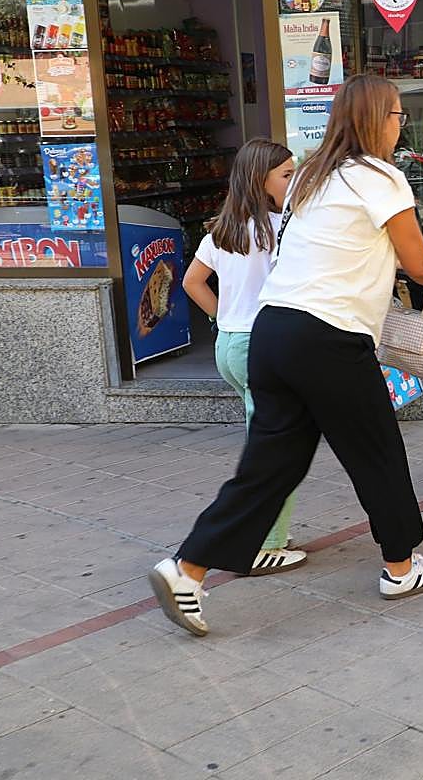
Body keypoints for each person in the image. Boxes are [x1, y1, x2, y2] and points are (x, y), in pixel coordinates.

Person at [148, 75, 423, 637]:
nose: (402, 125)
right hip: (328, 339)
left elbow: (341, 253)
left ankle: (187, 568)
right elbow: (419, 267)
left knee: (271, 466)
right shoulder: (382, 178)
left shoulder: (314, 178)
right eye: (397, 115)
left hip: (273, 332)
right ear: (375, 120)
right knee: (378, 453)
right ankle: (401, 566)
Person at [182, 139, 307, 576]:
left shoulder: (224, 227)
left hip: (229, 346)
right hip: (264, 347)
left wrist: (222, 318)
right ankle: (265, 544)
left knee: (267, 441)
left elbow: (192, 282)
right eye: (287, 174)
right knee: (277, 451)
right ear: (262, 179)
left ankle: (268, 534)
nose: (295, 180)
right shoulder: (281, 228)